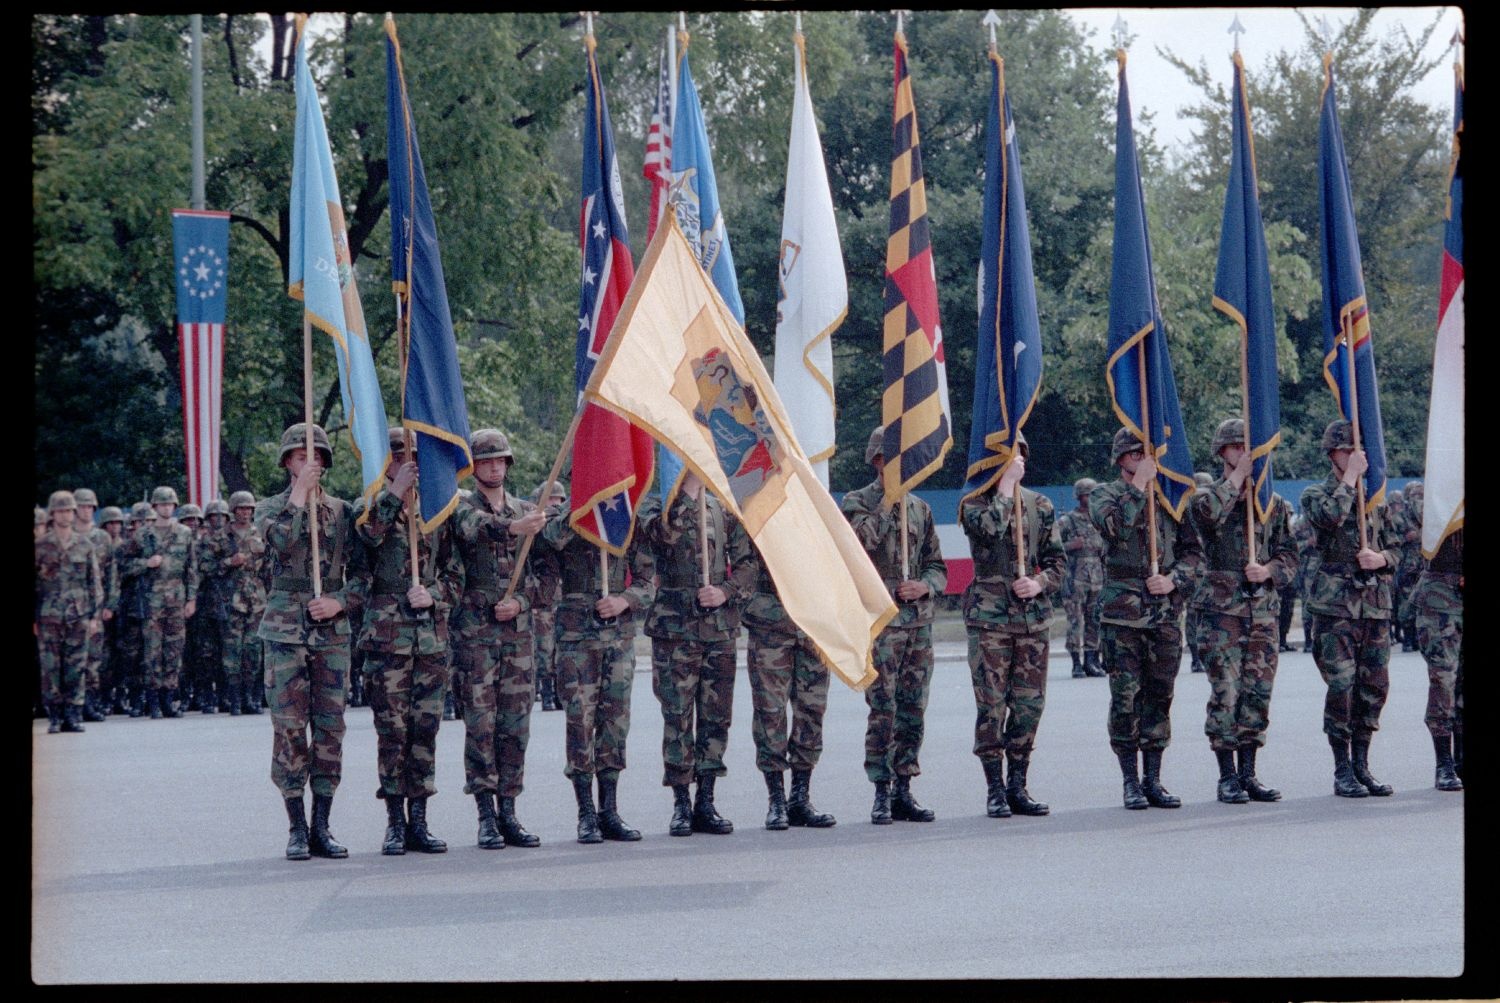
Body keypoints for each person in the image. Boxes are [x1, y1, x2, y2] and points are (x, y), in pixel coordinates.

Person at [255, 423, 361, 861]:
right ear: (286, 463)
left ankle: (323, 824)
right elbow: (280, 543)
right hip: (284, 631)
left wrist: (338, 602)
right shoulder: (269, 509)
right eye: (300, 457)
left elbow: (365, 577)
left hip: (330, 634)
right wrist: (299, 494)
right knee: (290, 730)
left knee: (330, 730)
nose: (309, 463)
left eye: (315, 456)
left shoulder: (343, 512)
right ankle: (296, 826)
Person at [354, 428, 463, 855]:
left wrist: (434, 594)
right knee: (392, 732)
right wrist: (395, 493)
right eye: (399, 454)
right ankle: (394, 822)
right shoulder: (370, 502)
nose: (409, 460)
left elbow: (456, 573)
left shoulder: (438, 508)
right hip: (387, 641)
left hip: (430, 641)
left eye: (414, 454)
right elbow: (368, 537)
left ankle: (420, 820)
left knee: (425, 730)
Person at [537, 478, 656, 843]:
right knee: (580, 725)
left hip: (617, 637)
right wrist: (581, 508)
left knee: (615, 724)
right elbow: (548, 541)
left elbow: (649, 579)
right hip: (576, 639)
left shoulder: (625, 519)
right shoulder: (564, 518)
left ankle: (609, 810)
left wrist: (625, 601)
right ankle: (585, 813)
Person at [1091, 428, 1203, 810]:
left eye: (1147, 453)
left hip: (1164, 614)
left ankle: (1154, 779)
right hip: (1122, 616)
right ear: (1121, 458)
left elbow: (1195, 555)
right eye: (1135, 453)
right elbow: (1115, 528)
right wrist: (1139, 485)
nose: (1144, 458)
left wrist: (1174, 580)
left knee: (1160, 696)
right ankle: (1130, 781)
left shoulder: (1173, 497)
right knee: (1126, 700)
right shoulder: (1104, 495)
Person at [448, 429, 550, 849]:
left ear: (508, 465)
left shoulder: (529, 512)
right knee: (480, 725)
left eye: (499, 460)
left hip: (517, 638)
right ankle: (485, 815)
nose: (493, 467)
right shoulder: (460, 507)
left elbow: (548, 580)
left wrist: (522, 604)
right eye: (485, 461)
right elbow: (473, 530)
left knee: (515, 727)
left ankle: (509, 811)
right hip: (475, 638)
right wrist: (514, 528)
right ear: (474, 467)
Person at [638, 471, 753, 837]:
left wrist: (726, 591)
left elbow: (749, 563)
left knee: (716, 718)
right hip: (675, 631)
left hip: (718, 629)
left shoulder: (724, 509)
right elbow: (662, 537)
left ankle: (706, 799)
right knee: (678, 717)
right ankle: (681, 802)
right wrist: (686, 493)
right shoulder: (657, 505)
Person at [1188, 419, 1297, 804]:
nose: (1245, 454)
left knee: (1257, 694)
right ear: (1222, 453)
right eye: (1236, 448)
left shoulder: (1273, 504)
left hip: (1263, 612)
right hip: (1223, 613)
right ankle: (1226, 776)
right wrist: (1237, 480)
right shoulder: (1206, 495)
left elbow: (1290, 556)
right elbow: (1206, 517)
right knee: (1226, 693)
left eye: (1249, 448)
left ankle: (1249, 773)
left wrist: (1268, 570)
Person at [842, 428, 947, 824]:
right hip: (881, 623)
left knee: (913, 710)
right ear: (877, 462)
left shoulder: (920, 509)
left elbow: (938, 566)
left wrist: (926, 585)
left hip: (917, 624)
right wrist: (888, 503)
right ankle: (881, 791)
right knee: (882, 709)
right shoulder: (858, 503)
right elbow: (859, 545)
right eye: (894, 460)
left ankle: (905, 787)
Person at [958, 432, 1064, 819]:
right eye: (1004, 454)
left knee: (1028, 706)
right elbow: (988, 531)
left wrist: (1039, 583)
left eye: (1017, 452)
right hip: (990, 621)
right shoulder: (973, 503)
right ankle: (995, 789)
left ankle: (1018, 784)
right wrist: (1004, 487)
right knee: (991, 706)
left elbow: (1057, 561)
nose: (1013, 459)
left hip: (1031, 620)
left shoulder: (1040, 505)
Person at [1301, 419, 1402, 798]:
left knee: (1373, 687)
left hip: (1374, 605)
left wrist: (1381, 559)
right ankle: (1341, 768)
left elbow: (1397, 548)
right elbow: (1329, 518)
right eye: (1347, 451)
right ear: (1333, 454)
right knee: (1341, 687)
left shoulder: (1375, 499)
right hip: (1335, 606)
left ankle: (1362, 763)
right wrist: (1350, 482)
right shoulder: (1317, 493)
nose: (1357, 456)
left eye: (1359, 450)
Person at [743, 540, 837, 830]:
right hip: (771, 624)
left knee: (812, 711)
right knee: (770, 712)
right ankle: (776, 800)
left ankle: (800, 797)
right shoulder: (760, 505)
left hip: (813, 623)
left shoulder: (816, 511)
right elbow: (742, 565)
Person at [118, 487, 198, 718]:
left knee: (174, 650)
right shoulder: (142, 535)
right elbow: (124, 565)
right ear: (154, 507)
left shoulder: (184, 533)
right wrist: (146, 563)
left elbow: (191, 569)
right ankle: (152, 699)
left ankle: (168, 699)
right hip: (151, 602)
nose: (166, 508)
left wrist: (191, 598)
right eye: (162, 504)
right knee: (152, 651)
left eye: (170, 504)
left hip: (176, 599)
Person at [35, 491, 104, 733]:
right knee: (51, 667)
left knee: (77, 666)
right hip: (48, 616)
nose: (65, 515)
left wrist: (95, 616)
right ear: (52, 513)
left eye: (69, 510)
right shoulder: (41, 546)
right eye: (61, 510)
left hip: (78, 615)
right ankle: (55, 716)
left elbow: (93, 582)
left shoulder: (85, 545)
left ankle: (73, 714)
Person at [1412, 527, 1462, 791]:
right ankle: (1444, 763)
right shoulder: (1440, 494)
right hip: (1440, 598)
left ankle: (1460, 761)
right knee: (1443, 681)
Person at [222, 491, 267, 716]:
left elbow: (269, 566)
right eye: (241, 508)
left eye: (249, 508)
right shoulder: (222, 535)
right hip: (231, 601)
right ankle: (234, 699)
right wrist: (229, 562)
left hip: (257, 601)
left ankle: (251, 697)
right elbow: (204, 566)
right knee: (232, 652)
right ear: (233, 510)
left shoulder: (260, 533)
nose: (246, 512)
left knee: (253, 650)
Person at [72, 488, 115, 721]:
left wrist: (110, 604)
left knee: (94, 658)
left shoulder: (102, 538)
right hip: (69, 608)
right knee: (70, 659)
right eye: (82, 506)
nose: (86, 511)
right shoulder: (65, 536)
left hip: (96, 608)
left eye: (90, 507)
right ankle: (71, 706)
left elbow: (112, 574)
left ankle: (90, 702)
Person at [1056, 477, 1106, 678]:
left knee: (1095, 620)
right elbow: (1051, 548)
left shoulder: (1099, 519)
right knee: (1076, 621)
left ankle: (1091, 661)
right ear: (1079, 496)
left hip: (1097, 577)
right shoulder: (1067, 521)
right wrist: (1070, 546)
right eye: (1087, 494)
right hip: (1075, 578)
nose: (1090, 498)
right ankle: (1076, 662)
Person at [531, 479, 569, 713]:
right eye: (551, 501)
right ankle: (546, 691)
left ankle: (557, 689)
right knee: (544, 645)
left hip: (563, 596)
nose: (555, 505)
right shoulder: (537, 527)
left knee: (559, 645)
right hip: (543, 597)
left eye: (559, 501)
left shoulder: (564, 525)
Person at [96, 505, 128, 715]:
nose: (115, 527)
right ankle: (104, 696)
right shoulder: (99, 546)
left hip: (125, 605)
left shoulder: (126, 545)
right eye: (111, 523)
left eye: (118, 523)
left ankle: (120, 697)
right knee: (104, 654)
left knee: (123, 652)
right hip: (105, 606)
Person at [1396, 481, 1425, 653]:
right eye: (1415, 497)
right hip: (1407, 566)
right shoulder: (1399, 517)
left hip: (1424, 566)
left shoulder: (1427, 518)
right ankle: (1408, 638)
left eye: (1420, 497)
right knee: (1406, 602)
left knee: (1422, 602)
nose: (1418, 501)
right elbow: (1389, 540)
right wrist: (1405, 539)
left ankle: (1417, 637)